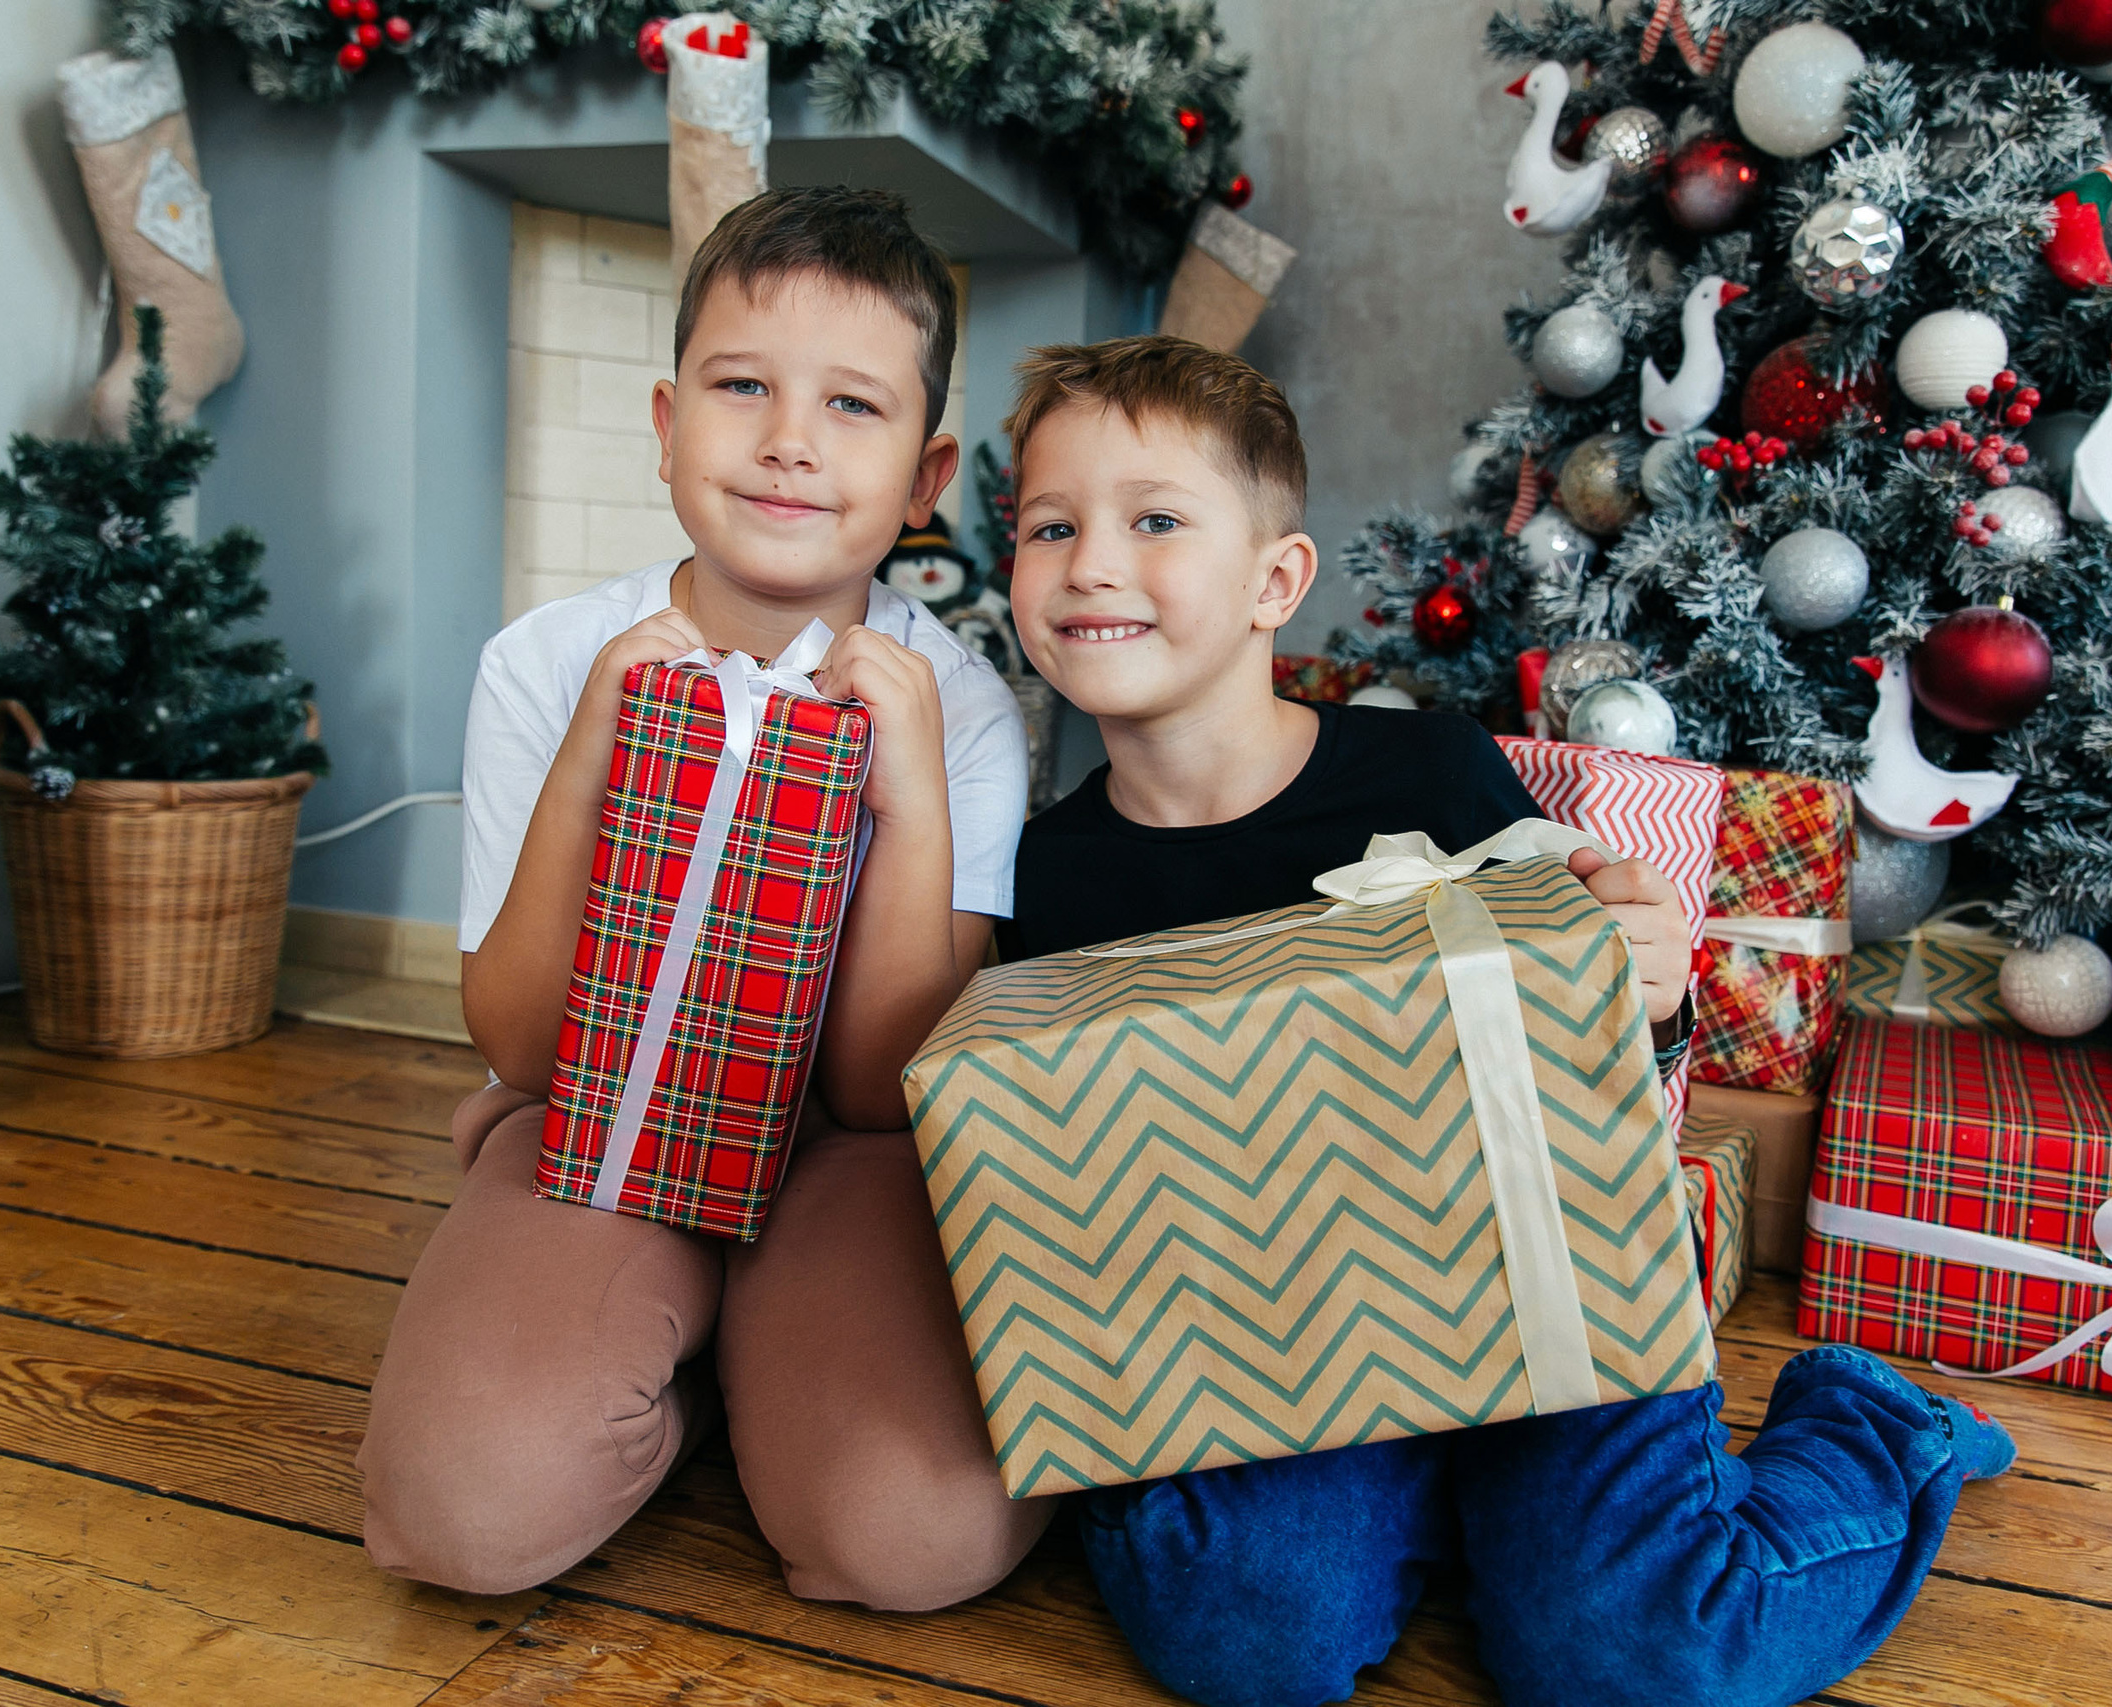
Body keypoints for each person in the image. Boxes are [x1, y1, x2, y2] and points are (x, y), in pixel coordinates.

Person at [995, 335, 2016, 1707]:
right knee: (1240, 1636)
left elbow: (1597, 1061)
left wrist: (1646, 988)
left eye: (1157, 521)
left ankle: (1876, 1430)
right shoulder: (1055, 871)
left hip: (1544, 1295)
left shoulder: (1424, 771)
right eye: (1050, 526)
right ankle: (1458, 1521)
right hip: (1285, 1345)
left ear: (1274, 582)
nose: (1091, 565)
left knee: (1647, 1655)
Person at [358, 187, 1050, 1606]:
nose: (790, 439)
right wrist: (592, 757)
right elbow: (519, 1045)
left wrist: (913, 800)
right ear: (670, 427)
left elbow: (880, 1090)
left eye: (852, 405)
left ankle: (771, 1358)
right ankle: (666, 1367)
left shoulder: (963, 705)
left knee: (912, 1539)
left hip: (848, 1154)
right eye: (744, 388)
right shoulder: (550, 661)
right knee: (463, 1513)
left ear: (925, 477)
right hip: (599, 1117)